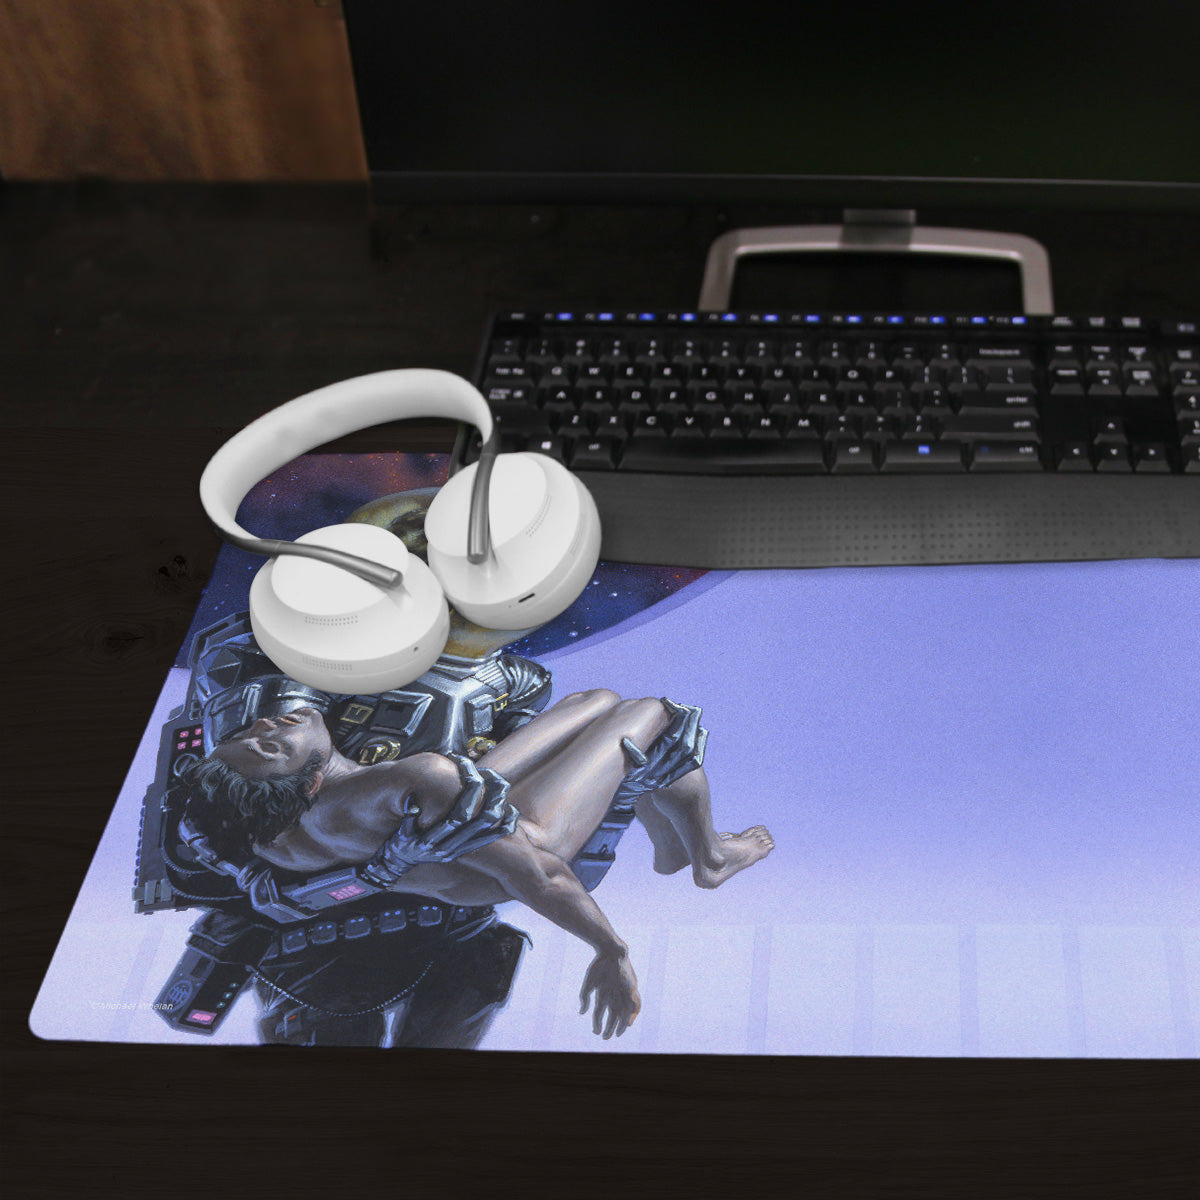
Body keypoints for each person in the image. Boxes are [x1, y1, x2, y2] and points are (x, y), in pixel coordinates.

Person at [185, 690, 774, 1038]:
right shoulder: (416, 779)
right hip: (522, 844)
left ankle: (674, 848)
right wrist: (611, 950)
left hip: (453, 839)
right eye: (270, 746)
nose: (269, 724)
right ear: (309, 781)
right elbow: (539, 874)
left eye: (252, 730)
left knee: (592, 702)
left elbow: (219, 838)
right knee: (649, 713)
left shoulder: (269, 828)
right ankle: (709, 857)